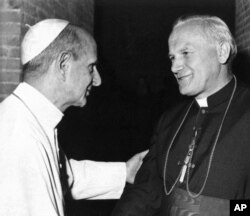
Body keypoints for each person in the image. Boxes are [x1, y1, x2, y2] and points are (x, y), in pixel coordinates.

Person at [0, 19, 148, 216]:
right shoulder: (19, 137)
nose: (97, 80)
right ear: (64, 65)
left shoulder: (27, 119)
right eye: (90, 67)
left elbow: (62, 176)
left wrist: (125, 172)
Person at [112, 15, 250, 216]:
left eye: (186, 53)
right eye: (172, 57)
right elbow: (145, 192)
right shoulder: (169, 119)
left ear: (222, 52)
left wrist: (211, 209)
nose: (174, 67)